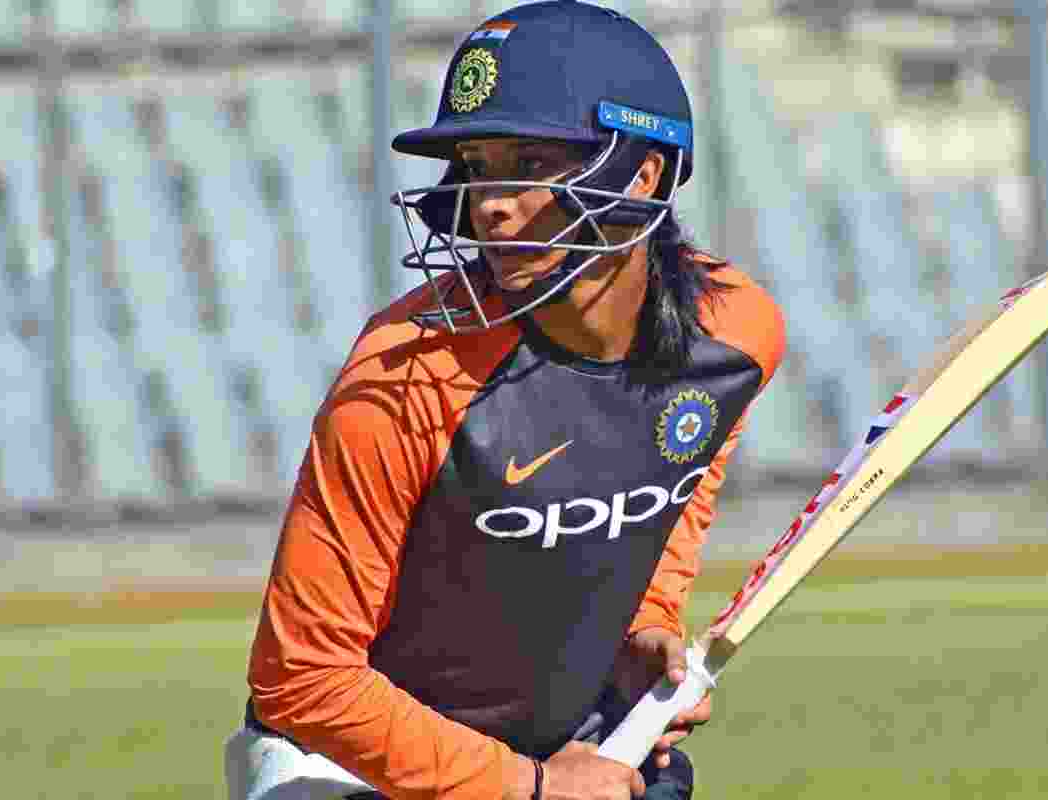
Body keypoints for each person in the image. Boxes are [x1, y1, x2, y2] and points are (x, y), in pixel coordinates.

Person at [225, 2, 786, 798]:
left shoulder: (737, 334)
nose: (490, 202)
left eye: (529, 161)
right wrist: (525, 787)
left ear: (643, 172)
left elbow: (675, 483)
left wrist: (646, 625)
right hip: (346, 762)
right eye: (479, 165)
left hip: (562, 744)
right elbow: (303, 677)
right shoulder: (400, 378)